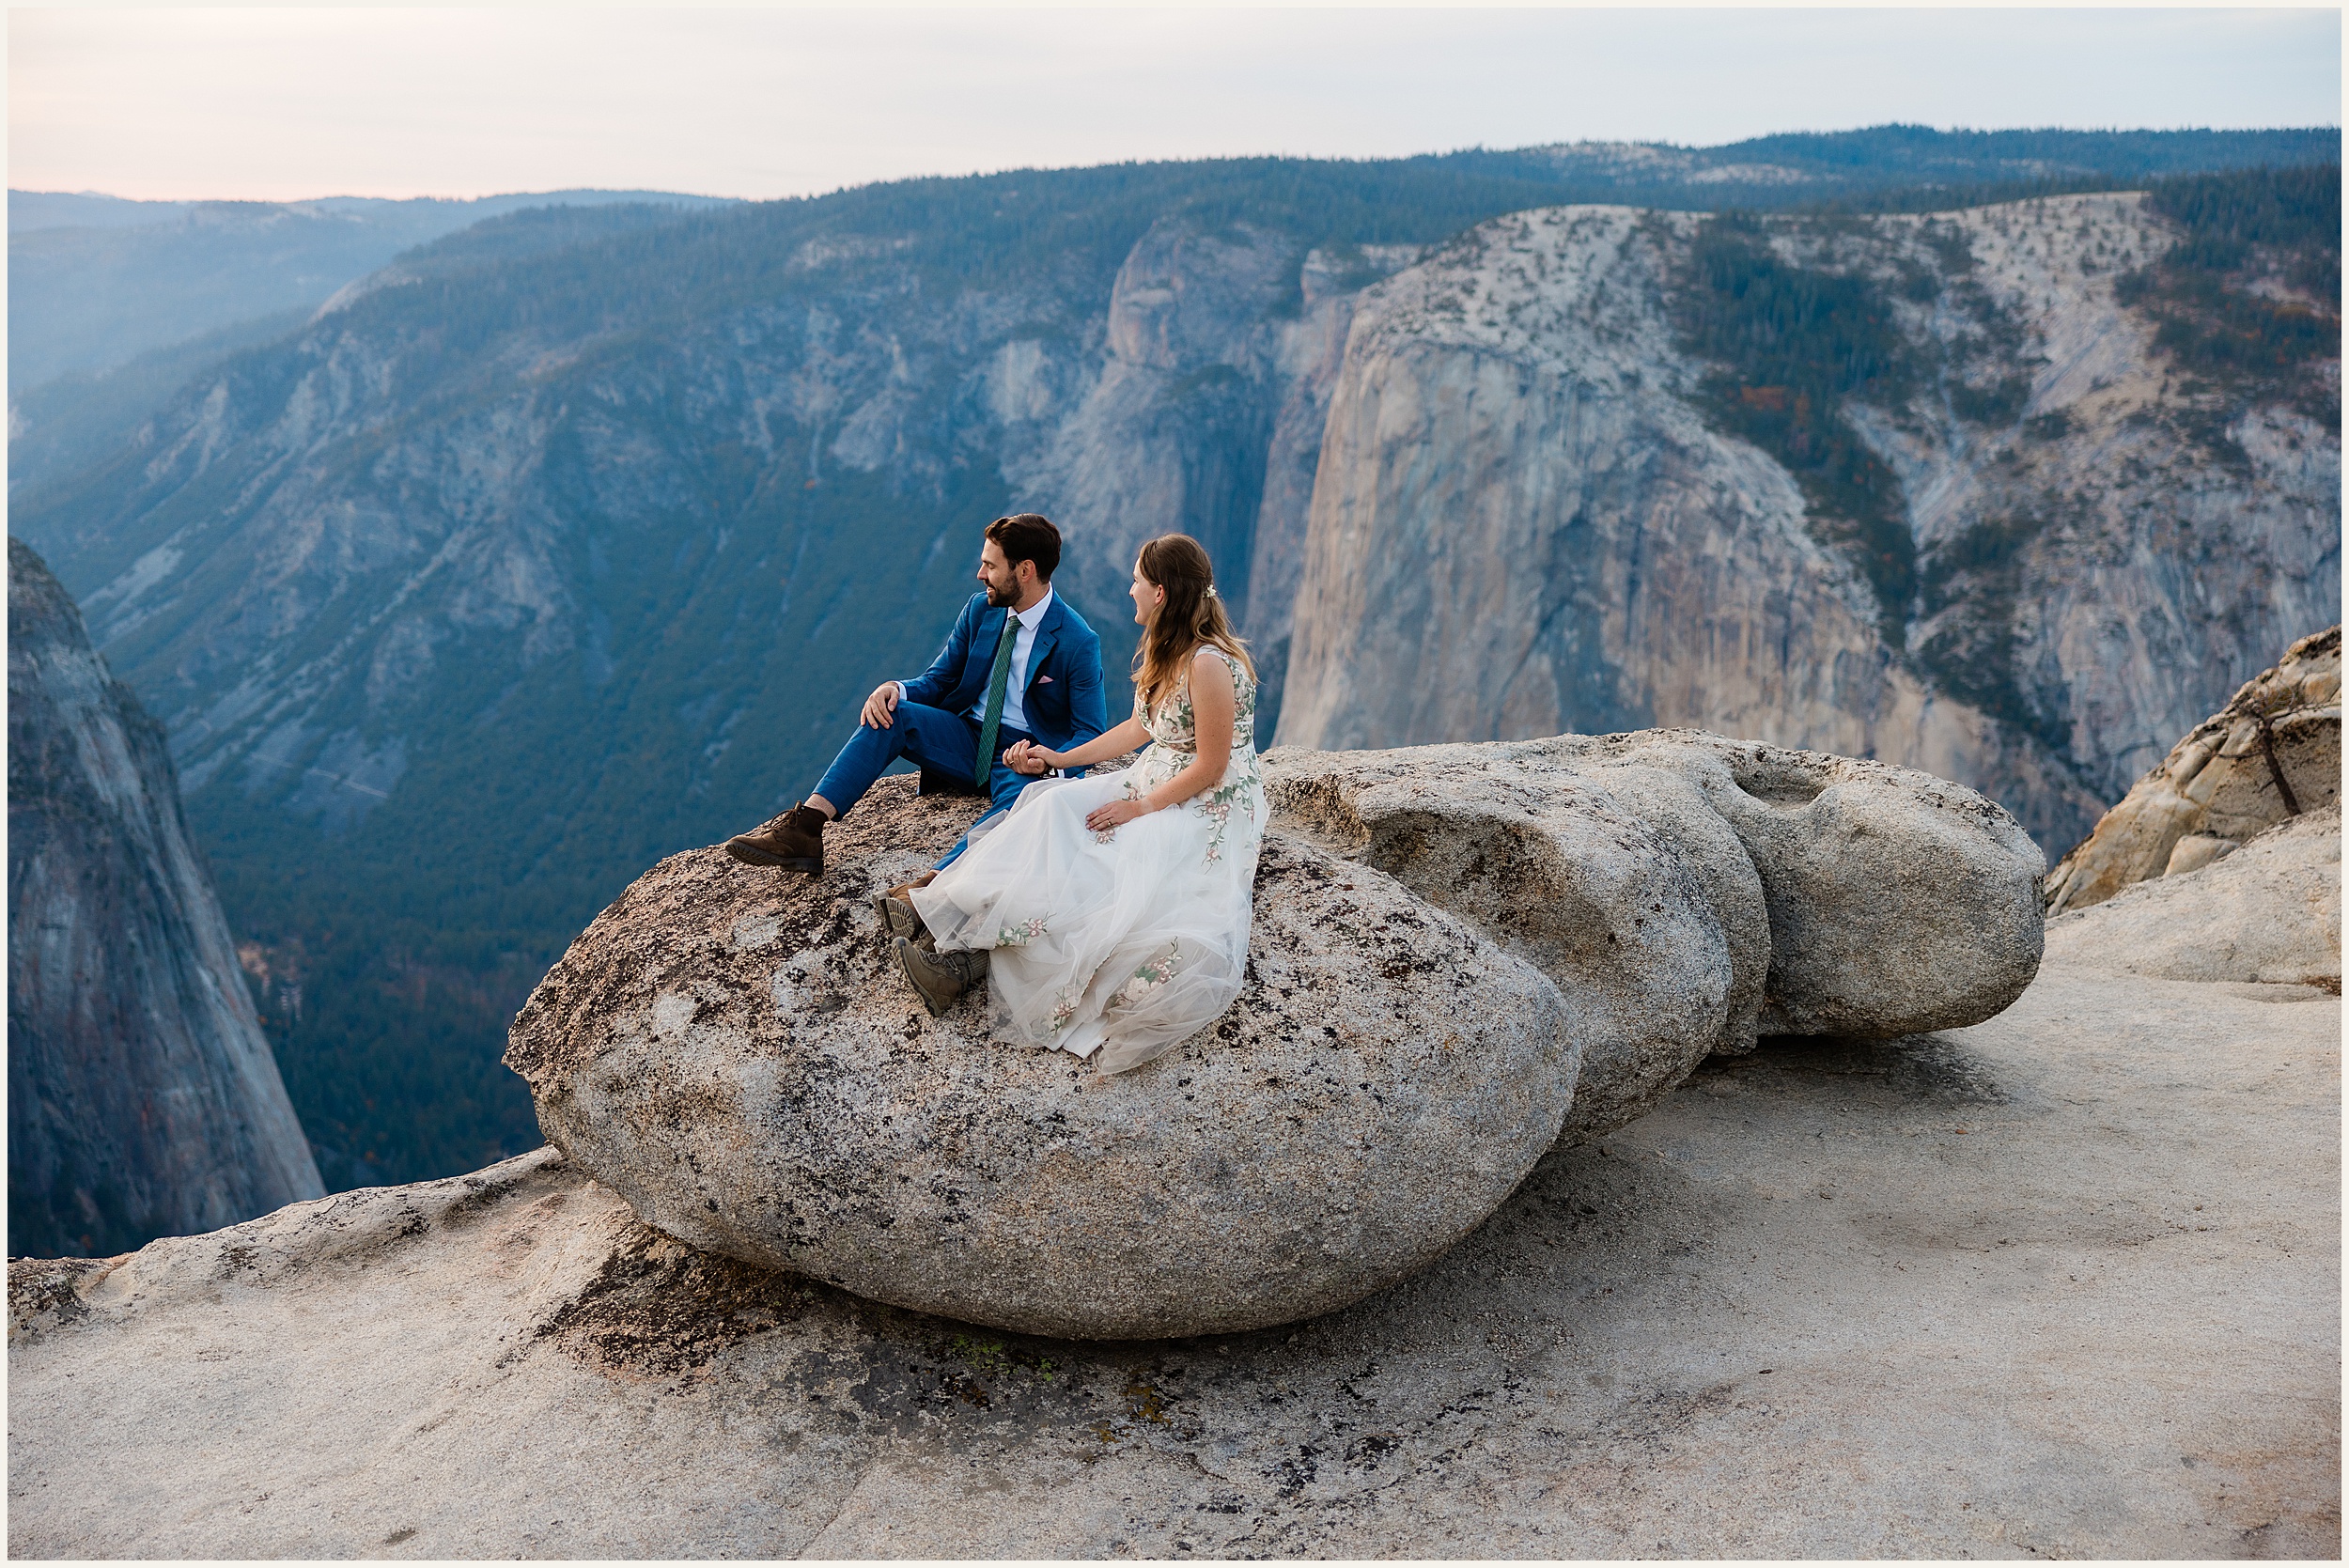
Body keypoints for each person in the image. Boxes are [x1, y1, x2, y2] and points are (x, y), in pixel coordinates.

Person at [893, 533, 1264, 1076]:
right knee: (1049, 807)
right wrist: (1057, 758)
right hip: (1155, 777)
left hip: (1203, 803)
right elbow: (1139, 729)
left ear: (1160, 592)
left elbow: (1211, 767)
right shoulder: (1168, 648)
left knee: (1103, 870)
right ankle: (949, 914)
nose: (1128, 588)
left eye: (1137, 579)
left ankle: (962, 966)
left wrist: (1138, 811)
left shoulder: (1207, 664)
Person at [723, 513, 1108, 884]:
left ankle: (932, 886)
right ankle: (805, 829)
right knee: (893, 713)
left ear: (1025, 570)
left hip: (1024, 756)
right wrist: (896, 689)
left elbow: (1090, 731)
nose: (980, 575)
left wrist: (1050, 762)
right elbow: (939, 680)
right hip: (968, 738)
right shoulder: (980, 610)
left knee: (1019, 810)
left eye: (991, 566)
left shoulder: (1077, 640)